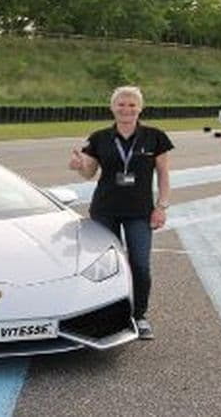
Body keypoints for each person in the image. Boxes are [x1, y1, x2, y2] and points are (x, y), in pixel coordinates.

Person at [68, 86, 173, 340]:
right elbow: (89, 173)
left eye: (132, 104)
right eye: (121, 104)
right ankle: (106, 316)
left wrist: (161, 207)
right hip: (105, 210)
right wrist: (79, 166)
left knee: (139, 265)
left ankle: (139, 316)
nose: (127, 109)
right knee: (105, 266)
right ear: (112, 108)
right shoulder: (99, 138)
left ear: (140, 108)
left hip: (140, 212)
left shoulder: (155, 137)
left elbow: (163, 174)